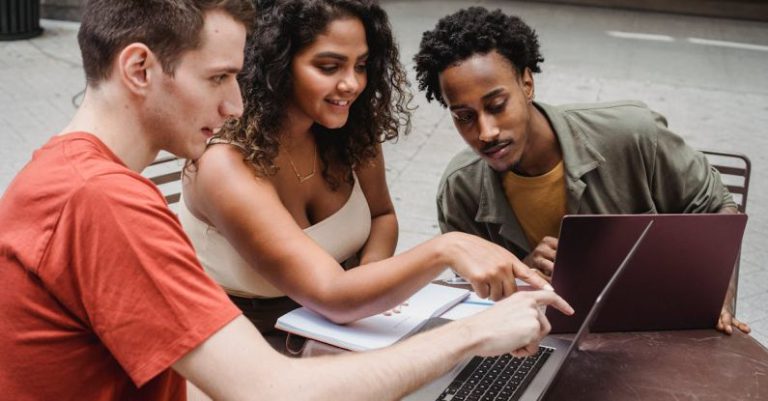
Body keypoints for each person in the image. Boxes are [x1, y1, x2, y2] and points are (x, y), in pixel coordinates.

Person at [0, 1, 574, 400]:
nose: (233, 105)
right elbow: (268, 392)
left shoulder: (65, 173)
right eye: (219, 78)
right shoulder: (103, 202)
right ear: (139, 68)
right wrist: (474, 334)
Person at [180, 0, 543, 349]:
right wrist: (445, 249)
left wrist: (371, 278)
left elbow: (382, 215)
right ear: (280, 64)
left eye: (361, 65)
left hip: (348, 328)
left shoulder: (350, 130)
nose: (352, 84)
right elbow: (332, 295)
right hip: (246, 344)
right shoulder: (226, 165)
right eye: (329, 67)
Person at [412, 7, 748, 335]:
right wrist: (521, 275)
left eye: (497, 106)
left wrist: (719, 296)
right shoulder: (460, 189)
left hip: (652, 331)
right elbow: (469, 302)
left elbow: (718, 209)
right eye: (464, 117)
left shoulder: (632, 133)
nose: (486, 132)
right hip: (539, 346)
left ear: (527, 84)